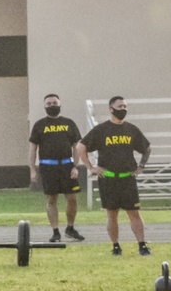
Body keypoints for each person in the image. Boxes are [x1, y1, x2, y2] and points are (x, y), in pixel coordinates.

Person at [77, 96, 152, 255]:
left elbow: (147, 148)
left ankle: (142, 245)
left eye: (125, 106)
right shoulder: (101, 130)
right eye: (119, 106)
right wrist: (91, 167)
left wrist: (141, 166)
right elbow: (81, 147)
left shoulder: (131, 129)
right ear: (111, 109)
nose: (123, 109)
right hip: (108, 178)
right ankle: (116, 246)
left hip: (127, 178)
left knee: (134, 213)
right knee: (112, 213)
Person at [28, 93, 85, 243]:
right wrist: (33, 169)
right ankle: (55, 231)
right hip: (48, 167)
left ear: (60, 104)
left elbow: (76, 147)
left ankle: (70, 228)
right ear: (45, 106)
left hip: (67, 166)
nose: (52, 106)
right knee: (52, 199)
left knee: (72, 198)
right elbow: (33, 149)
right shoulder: (39, 125)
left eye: (54, 103)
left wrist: (75, 166)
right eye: (49, 104)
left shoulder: (69, 123)